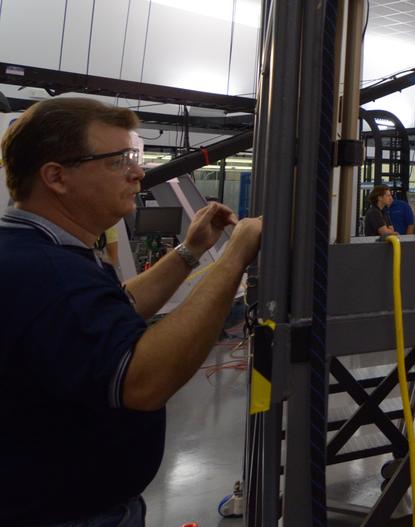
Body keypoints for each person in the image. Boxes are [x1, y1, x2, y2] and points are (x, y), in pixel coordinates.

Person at [0, 97, 263, 526]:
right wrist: (235, 257)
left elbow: (116, 310)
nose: (138, 172)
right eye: (117, 161)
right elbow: (145, 380)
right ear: (56, 177)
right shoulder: (51, 274)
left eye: (134, 158)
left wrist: (191, 250)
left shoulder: (35, 253)